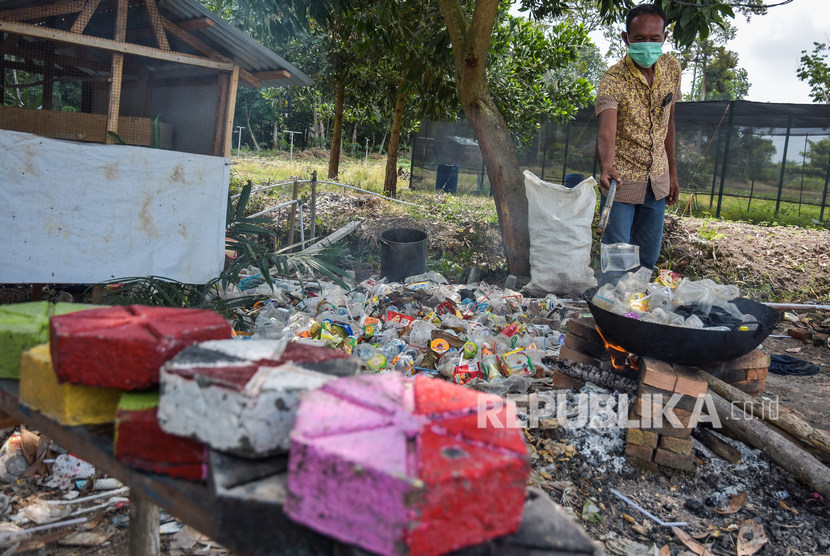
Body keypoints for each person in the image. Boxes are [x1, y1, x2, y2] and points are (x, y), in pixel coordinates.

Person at [595, 3, 681, 276]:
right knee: (617, 257)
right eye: (640, 38)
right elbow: (606, 130)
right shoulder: (613, 78)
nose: (647, 44)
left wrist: (673, 174)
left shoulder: (672, 68)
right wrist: (606, 166)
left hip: (657, 180)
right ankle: (609, 312)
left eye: (654, 39)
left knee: (647, 258)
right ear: (626, 38)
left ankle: (636, 314)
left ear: (664, 37)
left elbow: (669, 123)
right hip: (621, 181)